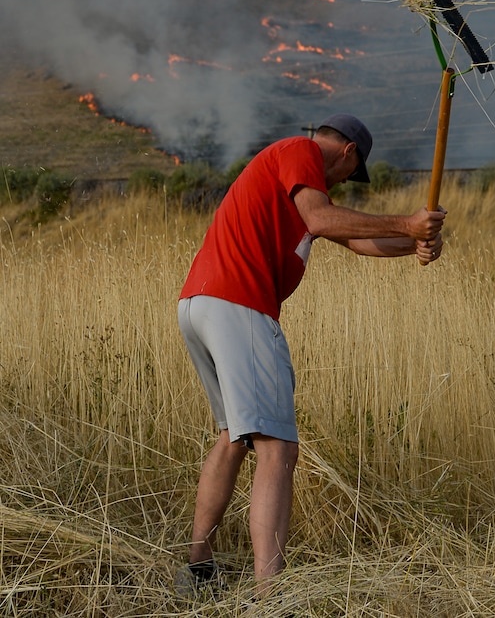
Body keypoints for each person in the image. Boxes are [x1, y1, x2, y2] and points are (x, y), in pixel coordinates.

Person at [175, 113, 445, 600]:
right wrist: (408, 221)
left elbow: (358, 240)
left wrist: (415, 243)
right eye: (350, 172)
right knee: (278, 449)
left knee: (232, 439)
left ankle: (198, 570)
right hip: (241, 306)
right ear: (348, 153)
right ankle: (269, 596)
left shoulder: (295, 180)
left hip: (199, 304)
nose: (343, 183)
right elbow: (324, 219)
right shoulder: (300, 154)